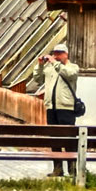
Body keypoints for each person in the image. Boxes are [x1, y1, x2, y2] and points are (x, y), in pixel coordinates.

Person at [34, 44, 80, 178]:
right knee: (54, 140)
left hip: (66, 107)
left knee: (68, 140)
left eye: (59, 53)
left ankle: (72, 170)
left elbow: (68, 74)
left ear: (66, 54)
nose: (56, 56)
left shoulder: (72, 67)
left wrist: (55, 63)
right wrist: (40, 65)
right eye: (54, 53)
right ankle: (57, 169)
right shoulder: (50, 67)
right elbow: (37, 79)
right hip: (51, 107)